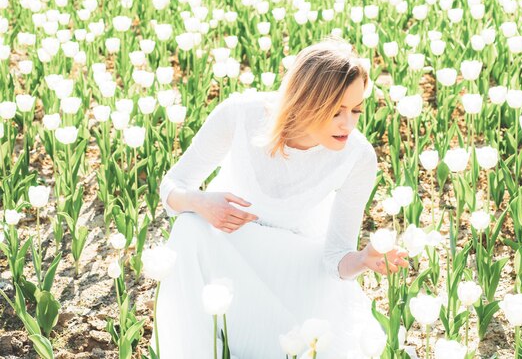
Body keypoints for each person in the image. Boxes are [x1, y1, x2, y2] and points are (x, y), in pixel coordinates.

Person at [151, 37, 410, 358]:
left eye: (356, 109)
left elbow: (334, 259)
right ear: (305, 100)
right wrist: (202, 203)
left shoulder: (357, 156)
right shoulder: (239, 115)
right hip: (229, 249)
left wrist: (362, 259)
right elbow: (172, 185)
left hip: (296, 271)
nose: (348, 123)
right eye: (336, 111)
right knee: (189, 228)